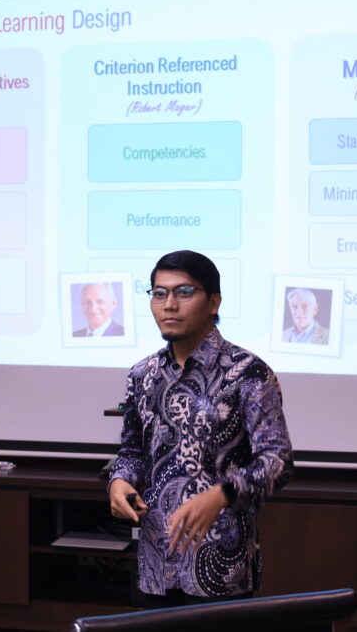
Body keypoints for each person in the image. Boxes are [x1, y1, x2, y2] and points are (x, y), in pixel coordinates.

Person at [108, 250, 293, 606]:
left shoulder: (248, 373)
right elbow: (132, 452)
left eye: (184, 292)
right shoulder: (142, 374)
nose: (169, 304)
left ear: (213, 302)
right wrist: (119, 482)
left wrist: (222, 493)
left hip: (221, 569)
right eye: (159, 293)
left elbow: (278, 460)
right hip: (155, 564)